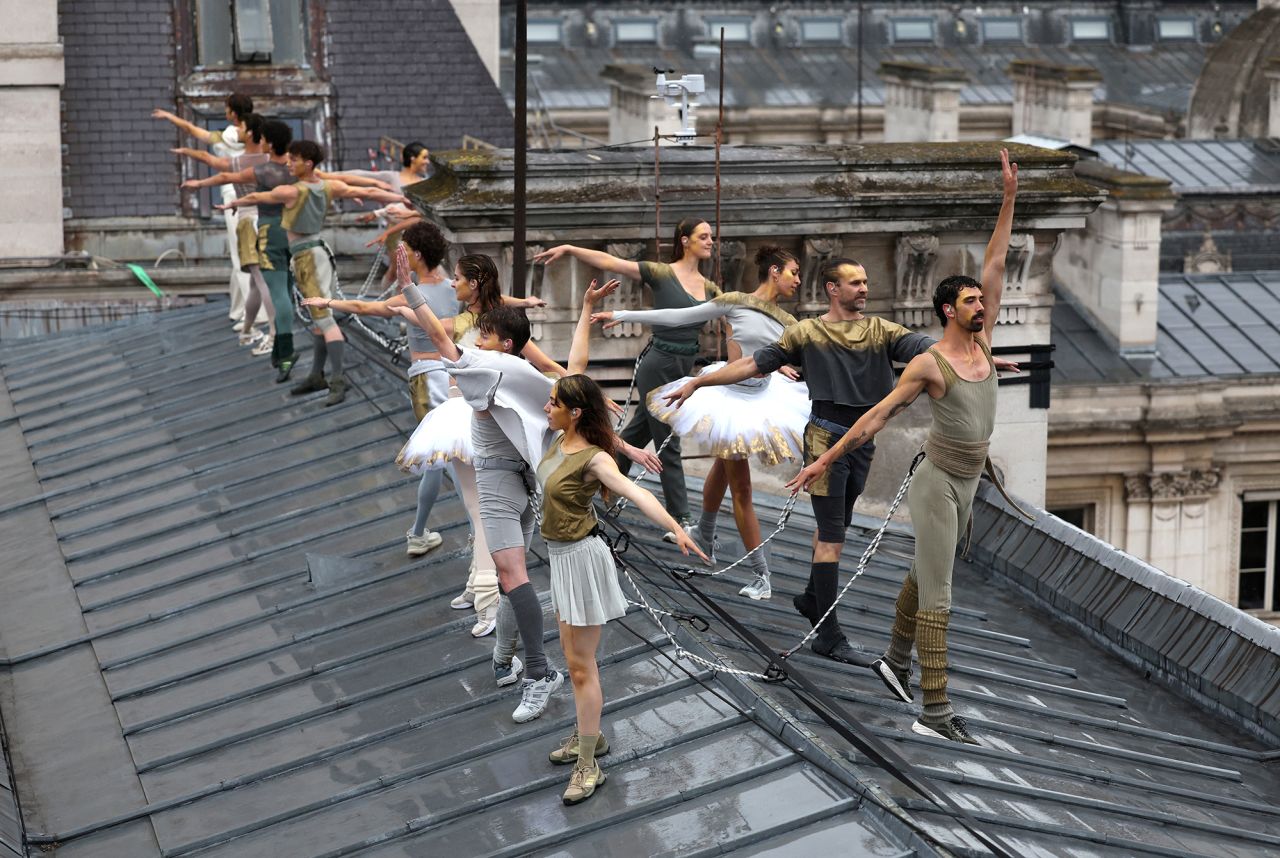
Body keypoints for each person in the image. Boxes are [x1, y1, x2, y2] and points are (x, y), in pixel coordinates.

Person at [788, 150, 1023, 746]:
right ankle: (935, 709)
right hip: (938, 480)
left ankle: (895, 659)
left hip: (970, 480)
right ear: (949, 310)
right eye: (971, 301)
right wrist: (823, 459)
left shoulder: (985, 345)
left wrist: (1009, 198)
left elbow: (996, 260)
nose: (981, 305)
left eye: (981, 301)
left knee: (926, 571)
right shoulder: (931, 361)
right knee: (941, 590)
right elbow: (876, 417)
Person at [396, 276, 663, 725]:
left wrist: (409, 288)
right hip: (523, 481)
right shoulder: (522, 373)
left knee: (511, 573)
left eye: (483, 335)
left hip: (503, 482)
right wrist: (583, 312)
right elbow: (574, 370)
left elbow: (439, 337)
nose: (475, 340)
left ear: (504, 342)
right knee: (510, 577)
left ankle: (537, 672)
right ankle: (504, 660)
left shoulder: (494, 366)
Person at [539, 279, 708, 805]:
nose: (547, 406)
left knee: (582, 665)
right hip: (560, 559)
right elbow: (576, 367)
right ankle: (589, 733)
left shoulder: (594, 456)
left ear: (573, 413)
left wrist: (678, 527)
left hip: (583, 560)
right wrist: (587, 308)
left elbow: (635, 494)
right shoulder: (560, 433)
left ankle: (589, 762)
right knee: (572, 660)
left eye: (554, 404)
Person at [592, 245, 809, 600]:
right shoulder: (736, 301)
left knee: (726, 470)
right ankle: (761, 574)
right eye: (793, 273)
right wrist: (622, 312)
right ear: (774, 271)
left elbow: (779, 353)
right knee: (741, 489)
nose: (798, 280)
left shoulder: (790, 324)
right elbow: (679, 316)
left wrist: (781, 363)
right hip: (728, 396)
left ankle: (705, 534)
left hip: (762, 399)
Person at [534, 218, 721, 540]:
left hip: (683, 366)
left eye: (711, 237)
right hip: (659, 363)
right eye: (703, 236)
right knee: (667, 440)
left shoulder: (711, 288)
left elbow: (739, 314)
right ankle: (682, 517)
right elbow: (610, 262)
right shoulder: (663, 273)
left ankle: (596, 484)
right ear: (685, 240)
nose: (710, 242)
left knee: (637, 433)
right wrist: (569, 248)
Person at [220, 140, 407, 406]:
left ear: (307, 163)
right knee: (321, 318)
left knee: (325, 320)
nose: (289, 163)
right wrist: (398, 197)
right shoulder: (327, 186)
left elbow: (258, 197)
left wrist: (234, 203)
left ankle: (338, 380)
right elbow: (362, 191)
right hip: (320, 251)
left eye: (293, 160)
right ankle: (317, 374)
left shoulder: (292, 191)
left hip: (307, 257)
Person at [154, 94, 256, 327]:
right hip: (254, 194)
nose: (225, 112)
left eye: (227, 109)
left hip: (234, 195)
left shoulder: (230, 134)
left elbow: (194, 131)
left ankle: (251, 314)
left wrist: (170, 116)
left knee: (241, 256)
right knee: (243, 253)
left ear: (234, 113)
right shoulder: (256, 132)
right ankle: (238, 310)